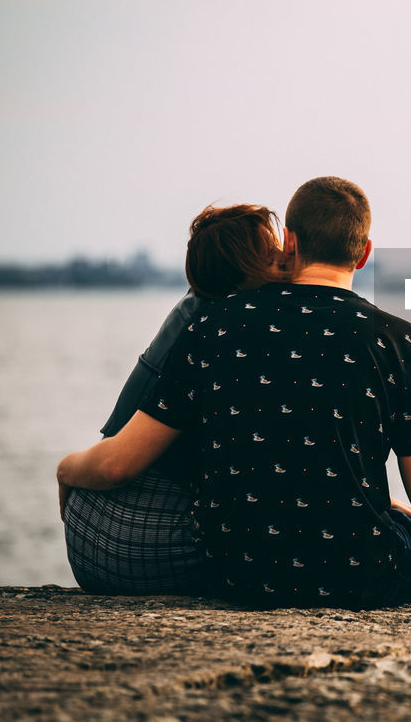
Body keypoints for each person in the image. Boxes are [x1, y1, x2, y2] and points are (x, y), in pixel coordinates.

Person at [57, 177, 411, 607]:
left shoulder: (212, 327)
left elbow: (123, 458)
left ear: (290, 242)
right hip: (359, 578)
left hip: (236, 575)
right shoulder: (403, 342)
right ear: (364, 253)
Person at [60, 204, 284, 594]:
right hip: (137, 531)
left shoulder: (196, 310)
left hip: (93, 523)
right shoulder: (223, 335)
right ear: (247, 266)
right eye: (272, 252)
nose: (284, 258)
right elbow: (117, 465)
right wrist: (65, 469)